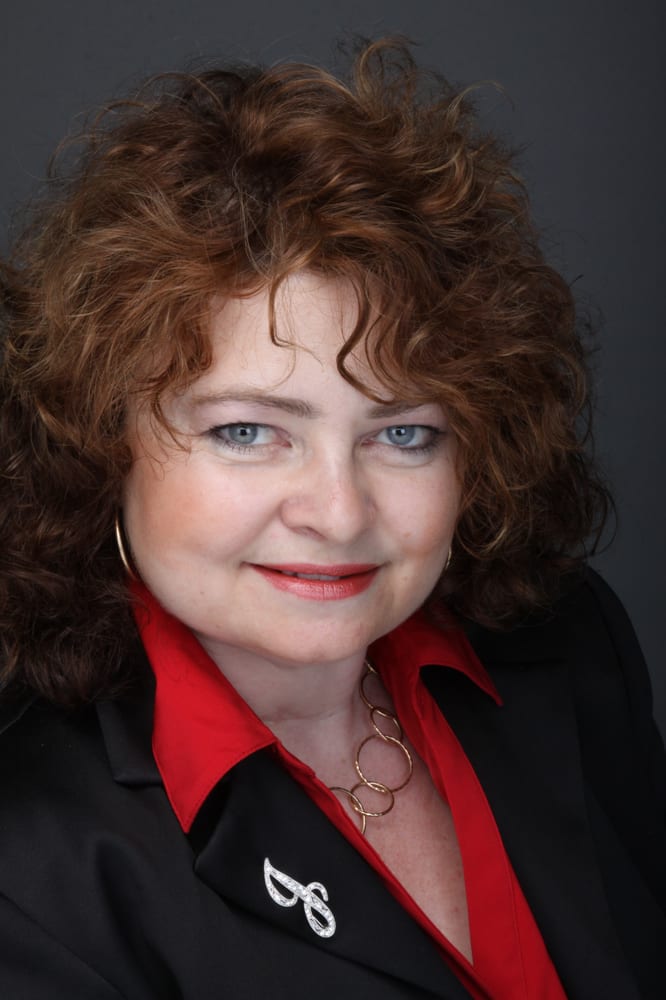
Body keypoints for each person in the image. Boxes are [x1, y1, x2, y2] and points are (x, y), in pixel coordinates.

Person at [0, 37, 663, 1000]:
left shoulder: (570, 643)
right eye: (246, 431)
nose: (339, 511)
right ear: (102, 441)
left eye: (404, 435)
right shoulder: (28, 864)